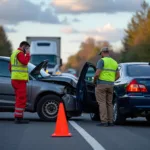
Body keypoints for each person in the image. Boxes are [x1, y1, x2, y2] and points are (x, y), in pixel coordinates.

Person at [93, 47, 120, 127]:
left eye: (101, 54)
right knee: (109, 103)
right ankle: (110, 121)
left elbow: (97, 73)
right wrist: (111, 81)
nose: (101, 55)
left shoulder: (102, 61)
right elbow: (118, 75)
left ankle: (104, 121)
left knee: (102, 103)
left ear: (102, 53)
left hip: (101, 84)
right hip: (111, 85)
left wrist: (94, 81)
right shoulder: (115, 62)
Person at [9, 41, 30, 124]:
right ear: (23, 46)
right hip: (20, 80)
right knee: (21, 99)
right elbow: (25, 62)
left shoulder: (13, 54)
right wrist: (28, 54)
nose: (28, 50)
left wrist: (15, 75)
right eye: (27, 48)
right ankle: (18, 118)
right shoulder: (20, 53)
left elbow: (10, 68)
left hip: (15, 79)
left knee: (19, 98)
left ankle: (18, 117)